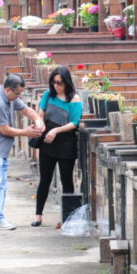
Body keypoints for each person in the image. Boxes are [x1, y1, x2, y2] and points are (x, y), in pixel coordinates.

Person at [0, 73, 44, 230]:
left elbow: (26, 110)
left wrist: (38, 121)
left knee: (1, 186)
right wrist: (26, 132)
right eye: (17, 93)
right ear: (7, 90)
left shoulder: (10, 97)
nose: (18, 97)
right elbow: (4, 130)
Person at [31, 66, 82, 227]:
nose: (56, 86)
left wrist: (56, 129)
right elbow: (40, 114)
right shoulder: (48, 95)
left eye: (59, 82)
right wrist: (39, 125)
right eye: (53, 82)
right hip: (48, 141)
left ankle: (67, 217)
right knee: (44, 179)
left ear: (67, 82)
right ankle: (38, 215)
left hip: (66, 142)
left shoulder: (74, 99)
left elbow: (74, 122)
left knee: (66, 180)